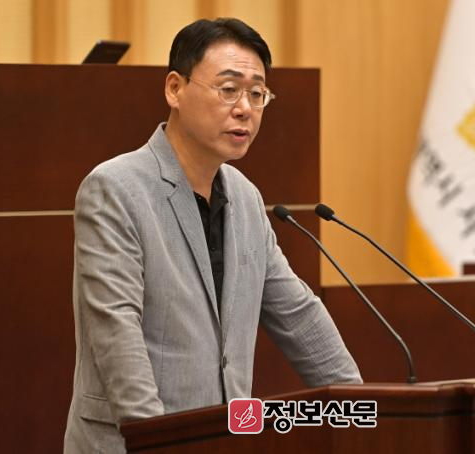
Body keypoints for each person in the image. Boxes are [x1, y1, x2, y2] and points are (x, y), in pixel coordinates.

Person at [64, 17, 362, 453]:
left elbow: (298, 316)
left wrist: (363, 412)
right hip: (134, 445)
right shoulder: (116, 189)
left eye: (257, 94)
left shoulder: (245, 198)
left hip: (222, 442)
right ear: (175, 89)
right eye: (228, 89)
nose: (245, 108)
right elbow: (117, 333)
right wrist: (160, 443)